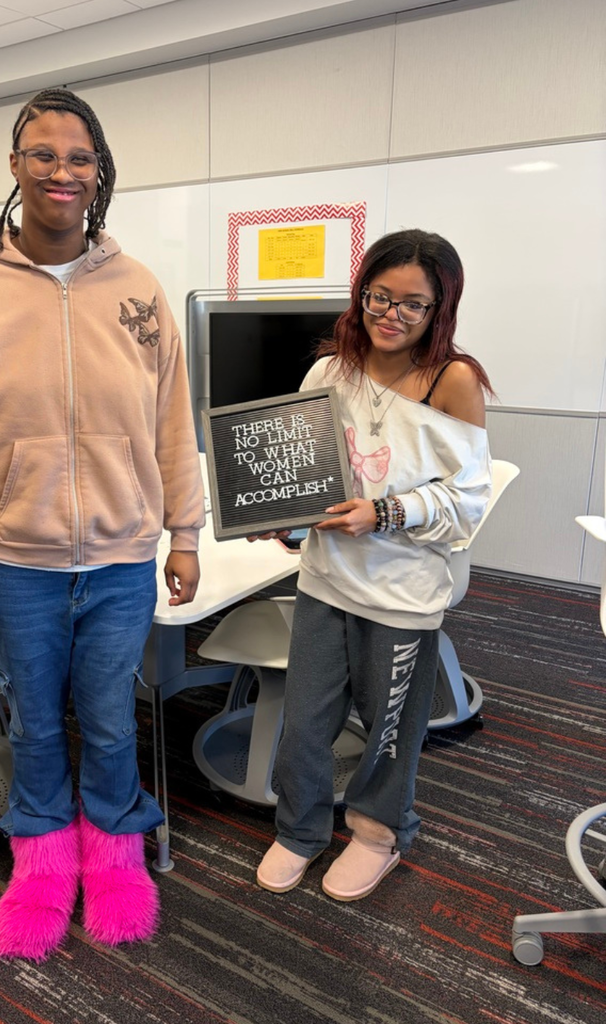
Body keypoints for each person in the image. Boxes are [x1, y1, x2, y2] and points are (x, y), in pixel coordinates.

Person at [0, 88, 204, 960]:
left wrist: (185, 533)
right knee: (35, 723)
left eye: (79, 158)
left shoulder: (137, 287)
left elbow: (172, 423)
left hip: (120, 560)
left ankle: (114, 860)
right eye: (42, 154)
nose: (61, 172)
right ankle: (40, 869)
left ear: (99, 172)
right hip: (16, 563)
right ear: (15, 166)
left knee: (110, 722)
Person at [252, 229, 492, 902]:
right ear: (360, 294)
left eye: (413, 304)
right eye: (379, 297)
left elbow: (468, 504)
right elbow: (307, 481)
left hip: (400, 594)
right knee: (305, 723)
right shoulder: (328, 372)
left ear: (439, 309)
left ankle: (377, 833)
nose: (391, 314)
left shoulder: (452, 381)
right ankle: (299, 829)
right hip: (325, 582)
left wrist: (383, 513)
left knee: (388, 730)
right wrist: (281, 517)